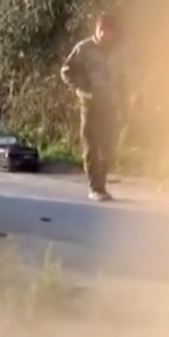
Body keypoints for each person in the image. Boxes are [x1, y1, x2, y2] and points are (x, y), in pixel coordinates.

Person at [60, 12, 124, 202]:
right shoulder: (84, 49)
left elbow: (122, 76)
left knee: (108, 146)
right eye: (102, 31)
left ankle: (102, 184)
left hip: (110, 105)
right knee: (92, 146)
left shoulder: (116, 51)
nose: (105, 35)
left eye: (109, 32)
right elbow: (66, 71)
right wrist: (82, 85)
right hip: (90, 104)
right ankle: (95, 187)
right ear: (97, 29)